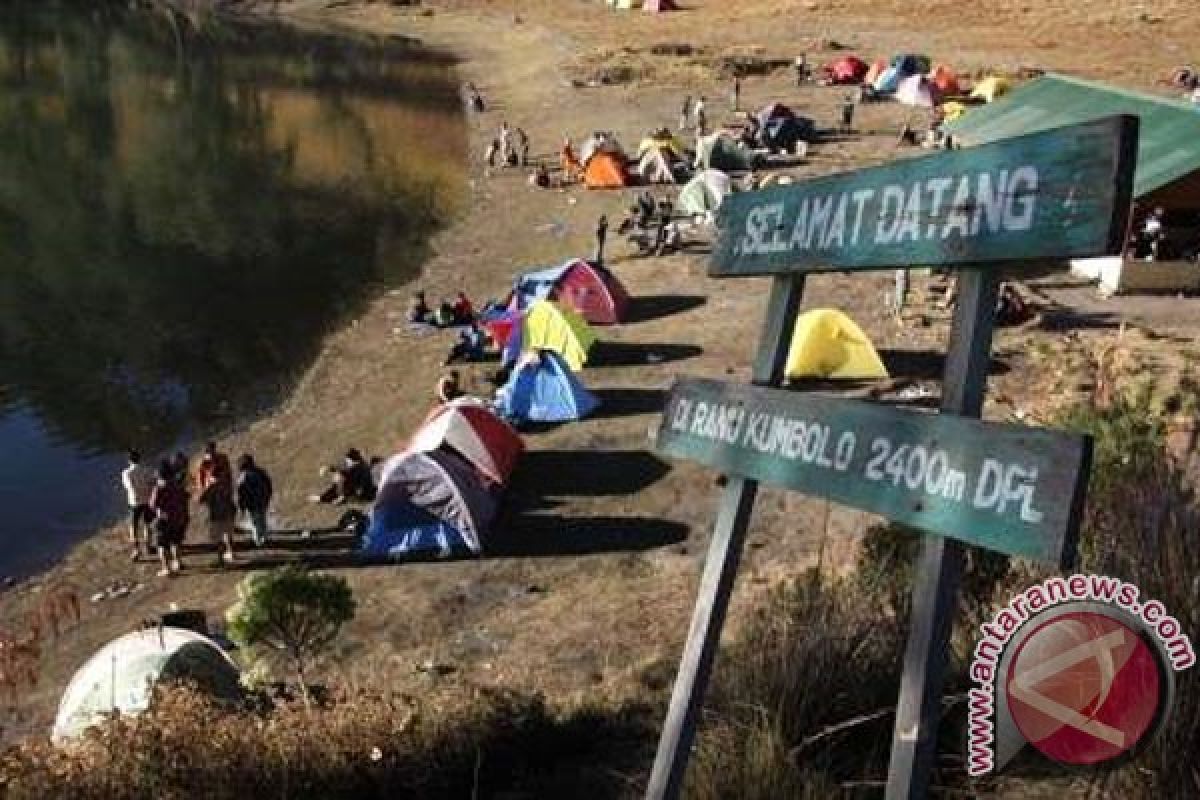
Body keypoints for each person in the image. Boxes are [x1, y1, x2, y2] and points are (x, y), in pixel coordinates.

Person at [149, 464, 188, 577]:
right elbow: (184, 497)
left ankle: (166, 568)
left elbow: (152, 505)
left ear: (160, 475)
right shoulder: (178, 485)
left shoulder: (159, 488)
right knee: (176, 542)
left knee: (162, 545)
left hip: (164, 520)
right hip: (178, 518)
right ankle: (178, 562)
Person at [121, 450, 157, 561]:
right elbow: (153, 483)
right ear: (139, 459)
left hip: (134, 502)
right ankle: (148, 546)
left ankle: (136, 550)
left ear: (129, 460)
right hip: (147, 500)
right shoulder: (147, 470)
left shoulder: (126, 473)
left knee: (134, 526)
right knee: (147, 523)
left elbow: (128, 487)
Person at [198, 468, 237, 567]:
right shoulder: (226, 484)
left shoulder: (212, 487)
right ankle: (231, 553)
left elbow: (200, 499)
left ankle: (220, 559)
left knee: (218, 539)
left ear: (211, 476)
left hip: (216, 515)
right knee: (228, 535)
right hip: (229, 512)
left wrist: (206, 487)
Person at [310, 448, 376, 505]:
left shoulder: (361, 470)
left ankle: (324, 498)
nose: (347, 462)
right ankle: (324, 498)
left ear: (355, 462)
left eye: (349, 461)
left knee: (339, 479)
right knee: (339, 478)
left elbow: (358, 487)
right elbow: (342, 469)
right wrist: (327, 468)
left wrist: (343, 497)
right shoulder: (355, 466)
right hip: (355, 488)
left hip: (363, 492)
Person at [236, 454, 273, 547]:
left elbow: (241, 493)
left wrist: (242, 507)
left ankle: (258, 540)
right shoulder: (261, 472)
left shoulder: (243, 478)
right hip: (262, 501)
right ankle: (264, 537)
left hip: (251, 504)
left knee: (255, 522)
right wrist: (267, 497)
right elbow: (268, 485)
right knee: (261, 519)